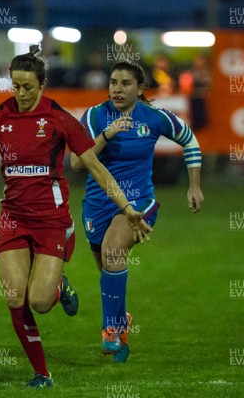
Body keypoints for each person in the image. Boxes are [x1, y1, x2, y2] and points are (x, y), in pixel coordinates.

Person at [0, 47, 151, 388]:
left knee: (39, 301)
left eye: (27, 87)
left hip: (51, 219)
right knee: (13, 295)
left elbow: (95, 168)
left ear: (43, 84)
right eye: (15, 86)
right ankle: (42, 373)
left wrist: (128, 210)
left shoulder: (59, 119)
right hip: (12, 217)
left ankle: (59, 287)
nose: (20, 94)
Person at [70, 60, 203, 363]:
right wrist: (107, 135)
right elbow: (77, 164)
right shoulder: (94, 116)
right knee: (107, 269)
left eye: (125, 83)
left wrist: (194, 185)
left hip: (139, 201)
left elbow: (190, 140)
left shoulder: (154, 117)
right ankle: (122, 322)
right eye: (113, 82)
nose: (117, 89)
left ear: (141, 88)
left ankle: (110, 332)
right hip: (98, 204)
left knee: (113, 250)